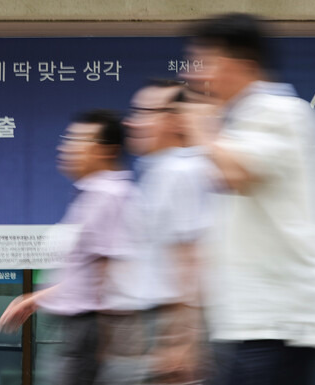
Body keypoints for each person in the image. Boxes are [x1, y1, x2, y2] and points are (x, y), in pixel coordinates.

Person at [182, 13, 315, 385]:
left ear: (239, 64)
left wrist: (201, 126)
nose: (195, 75)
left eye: (204, 62)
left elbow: (236, 173)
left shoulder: (278, 112)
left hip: (281, 322)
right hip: (256, 321)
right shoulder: (244, 120)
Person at [0, 109, 133, 385]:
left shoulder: (110, 197)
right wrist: (35, 300)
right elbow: (86, 272)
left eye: (80, 141)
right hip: (80, 333)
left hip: (90, 334)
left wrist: (107, 346)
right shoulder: (91, 195)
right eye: (69, 139)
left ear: (107, 151)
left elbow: (111, 275)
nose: (67, 147)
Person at [123, 79, 213, 384]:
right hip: (156, 319)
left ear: (175, 119)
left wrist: (181, 340)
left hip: (171, 322)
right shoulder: (156, 171)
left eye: (146, 111)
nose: (133, 121)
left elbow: (190, 256)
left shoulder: (182, 171)